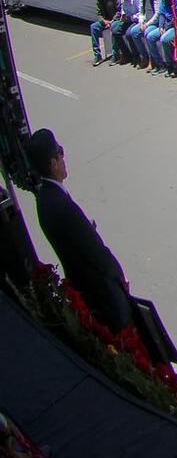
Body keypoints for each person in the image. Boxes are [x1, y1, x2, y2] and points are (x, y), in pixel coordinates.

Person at [26, 129, 136, 333]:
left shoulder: (44, 200)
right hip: (103, 296)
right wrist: (119, 276)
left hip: (83, 290)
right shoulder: (62, 207)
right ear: (53, 163)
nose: (63, 156)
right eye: (59, 152)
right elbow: (97, 255)